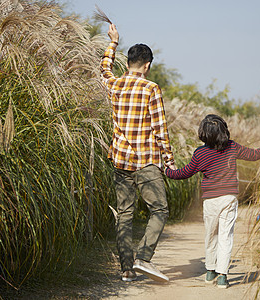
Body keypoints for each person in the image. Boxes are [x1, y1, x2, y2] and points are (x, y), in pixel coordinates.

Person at [165, 114, 260, 289]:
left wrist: (168, 171)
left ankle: (210, 270)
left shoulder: (200, 153)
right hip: (229, 198)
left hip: (211, 201)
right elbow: (253, 154)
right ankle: (222, 276)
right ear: (224, 131)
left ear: (203, 133)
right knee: (226, 236)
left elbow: (184, 173)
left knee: (211, 234)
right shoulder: (232, 147)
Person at [100, 23, 176, 283]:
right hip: (145, 161)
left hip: (121, 159)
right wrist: (169, 161)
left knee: (125, 214)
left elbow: (104, 68)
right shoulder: (151, 88)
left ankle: (126, 270)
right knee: (160, 210)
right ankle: (143, 257)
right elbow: (160, 128)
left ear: (129, 62)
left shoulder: (115, 85)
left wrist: (113, 42)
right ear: (147, 65)